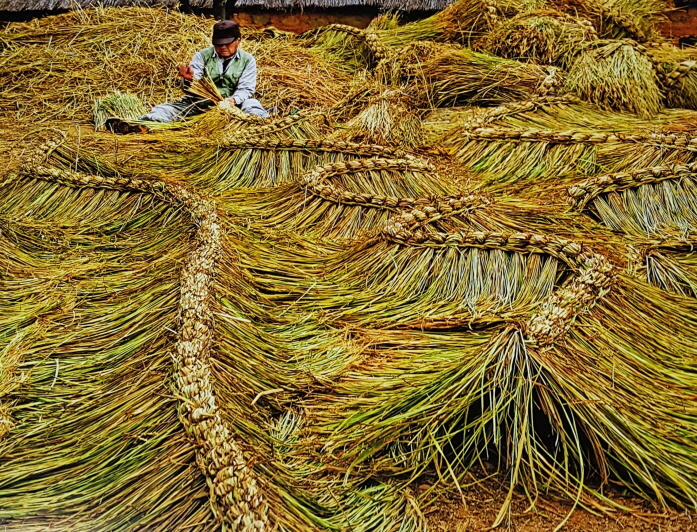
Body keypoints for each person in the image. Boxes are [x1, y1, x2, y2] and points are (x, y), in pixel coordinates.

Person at [107, 20, 268, 133]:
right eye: (218, 44)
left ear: (238, 40)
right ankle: (141, 125)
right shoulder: (203, 56)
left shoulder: (248, 60)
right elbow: (193, 83)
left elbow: (246, 89)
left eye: (228, 43)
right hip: (201, 104)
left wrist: (231, 101)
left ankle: (262, 127)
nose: (223, 47)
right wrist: (189, 79)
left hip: (234, 106)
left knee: (252, 104)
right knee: (166, 109)